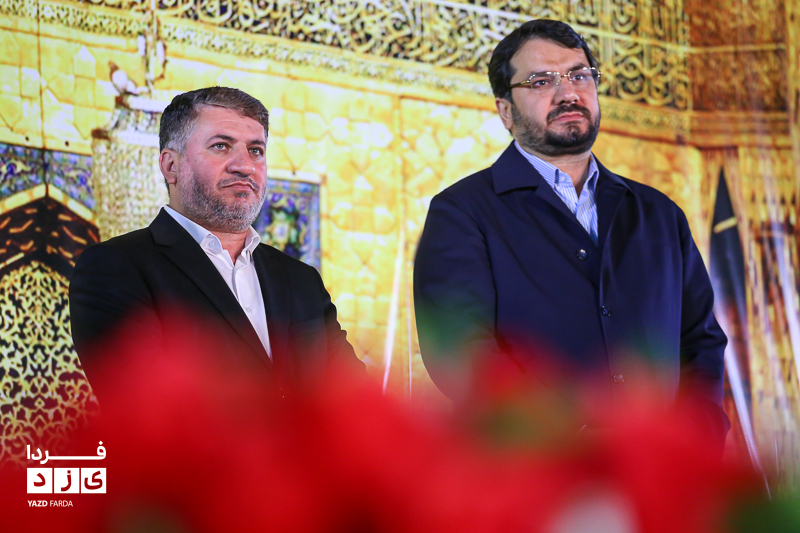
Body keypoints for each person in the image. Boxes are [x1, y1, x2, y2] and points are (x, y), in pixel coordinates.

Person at [413, 20, 728, 443]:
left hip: (657, 469)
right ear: (505, 111)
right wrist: (566, 438)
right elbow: (461, 353)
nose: (568, 94)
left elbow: (699, 342)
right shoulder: (463, 212)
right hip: (531, 468)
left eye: (580, 76)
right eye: (542, 81)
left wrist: (698, 436)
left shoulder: (658, 214)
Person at [70, 87, 362, 387]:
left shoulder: (302, 280)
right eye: (221, 146)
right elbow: (146, 403)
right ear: (171, 166)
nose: (245, 166)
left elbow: (355, 397)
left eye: (256, 150)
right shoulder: (115, 268)